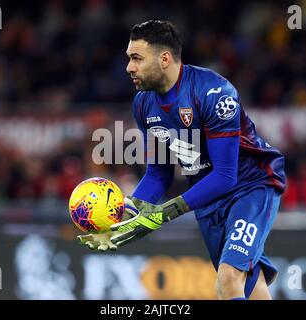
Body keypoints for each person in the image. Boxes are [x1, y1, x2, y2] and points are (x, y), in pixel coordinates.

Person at [78, 20, 286, 300]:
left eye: (136, 58)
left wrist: (165, 213)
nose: (129, 67)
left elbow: (226, 175)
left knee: (228, 276)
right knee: (249, 284)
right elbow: (158, 173)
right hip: (208, 197)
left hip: (250, 185)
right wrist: (128, 214)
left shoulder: (213, 93)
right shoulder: (143, 104)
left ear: (164, 59)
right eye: (129, 58)